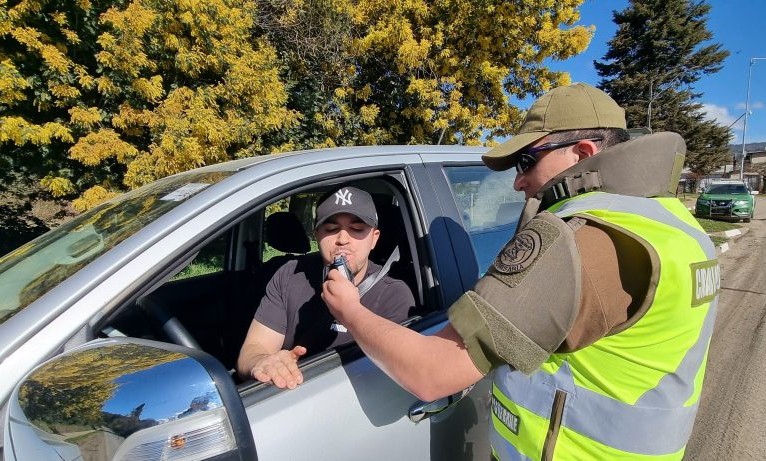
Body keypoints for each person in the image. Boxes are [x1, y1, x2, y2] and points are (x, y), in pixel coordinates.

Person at [322, 83, 720, 459]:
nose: (518, 182)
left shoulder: (579, 240)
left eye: (527, 161)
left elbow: (432, 372)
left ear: (581, 153)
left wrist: (349, 309)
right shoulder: (675, 225)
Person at [237, 186, 415, 389]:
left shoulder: (394, 295)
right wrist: (262, 363)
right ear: (317, 235)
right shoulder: (289, 275)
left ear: (374, 238)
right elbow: (252, 350)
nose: (343, 239)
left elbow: (399, 378)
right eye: (331, 229)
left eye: (357, 229)